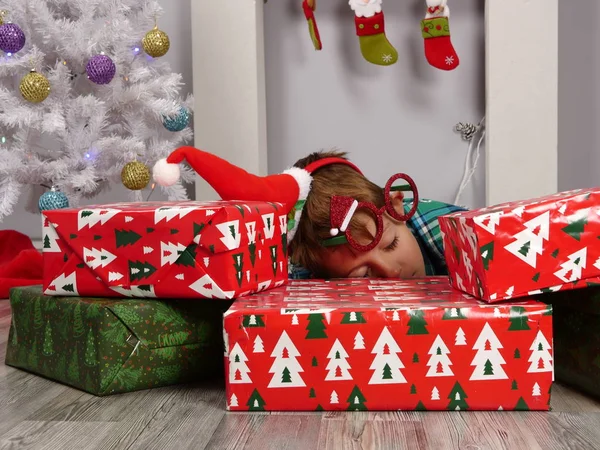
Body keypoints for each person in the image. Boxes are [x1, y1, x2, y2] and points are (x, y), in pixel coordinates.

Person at [153, 146, 466, 280]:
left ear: (398, 209)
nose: (390, 273)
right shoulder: (303, 274)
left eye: (391, 245)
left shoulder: (447, 228)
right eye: (361, 275)